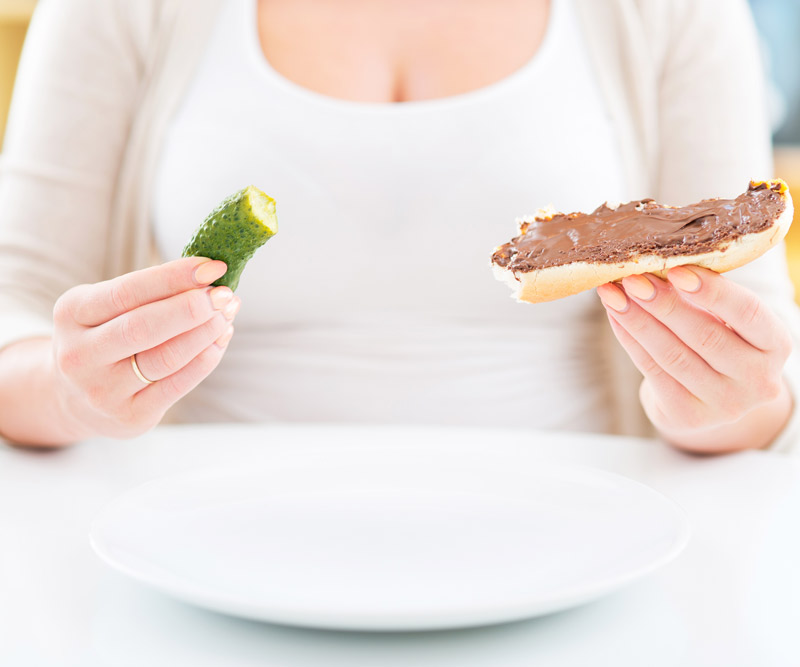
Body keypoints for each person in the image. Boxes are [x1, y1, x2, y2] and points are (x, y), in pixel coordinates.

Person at [0, 0, 798, 454]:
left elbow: (768, 383)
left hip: (582, 543)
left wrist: (714, 402)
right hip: (200, 544)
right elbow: (16, 308)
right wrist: (72, 394)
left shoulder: (677, 12)